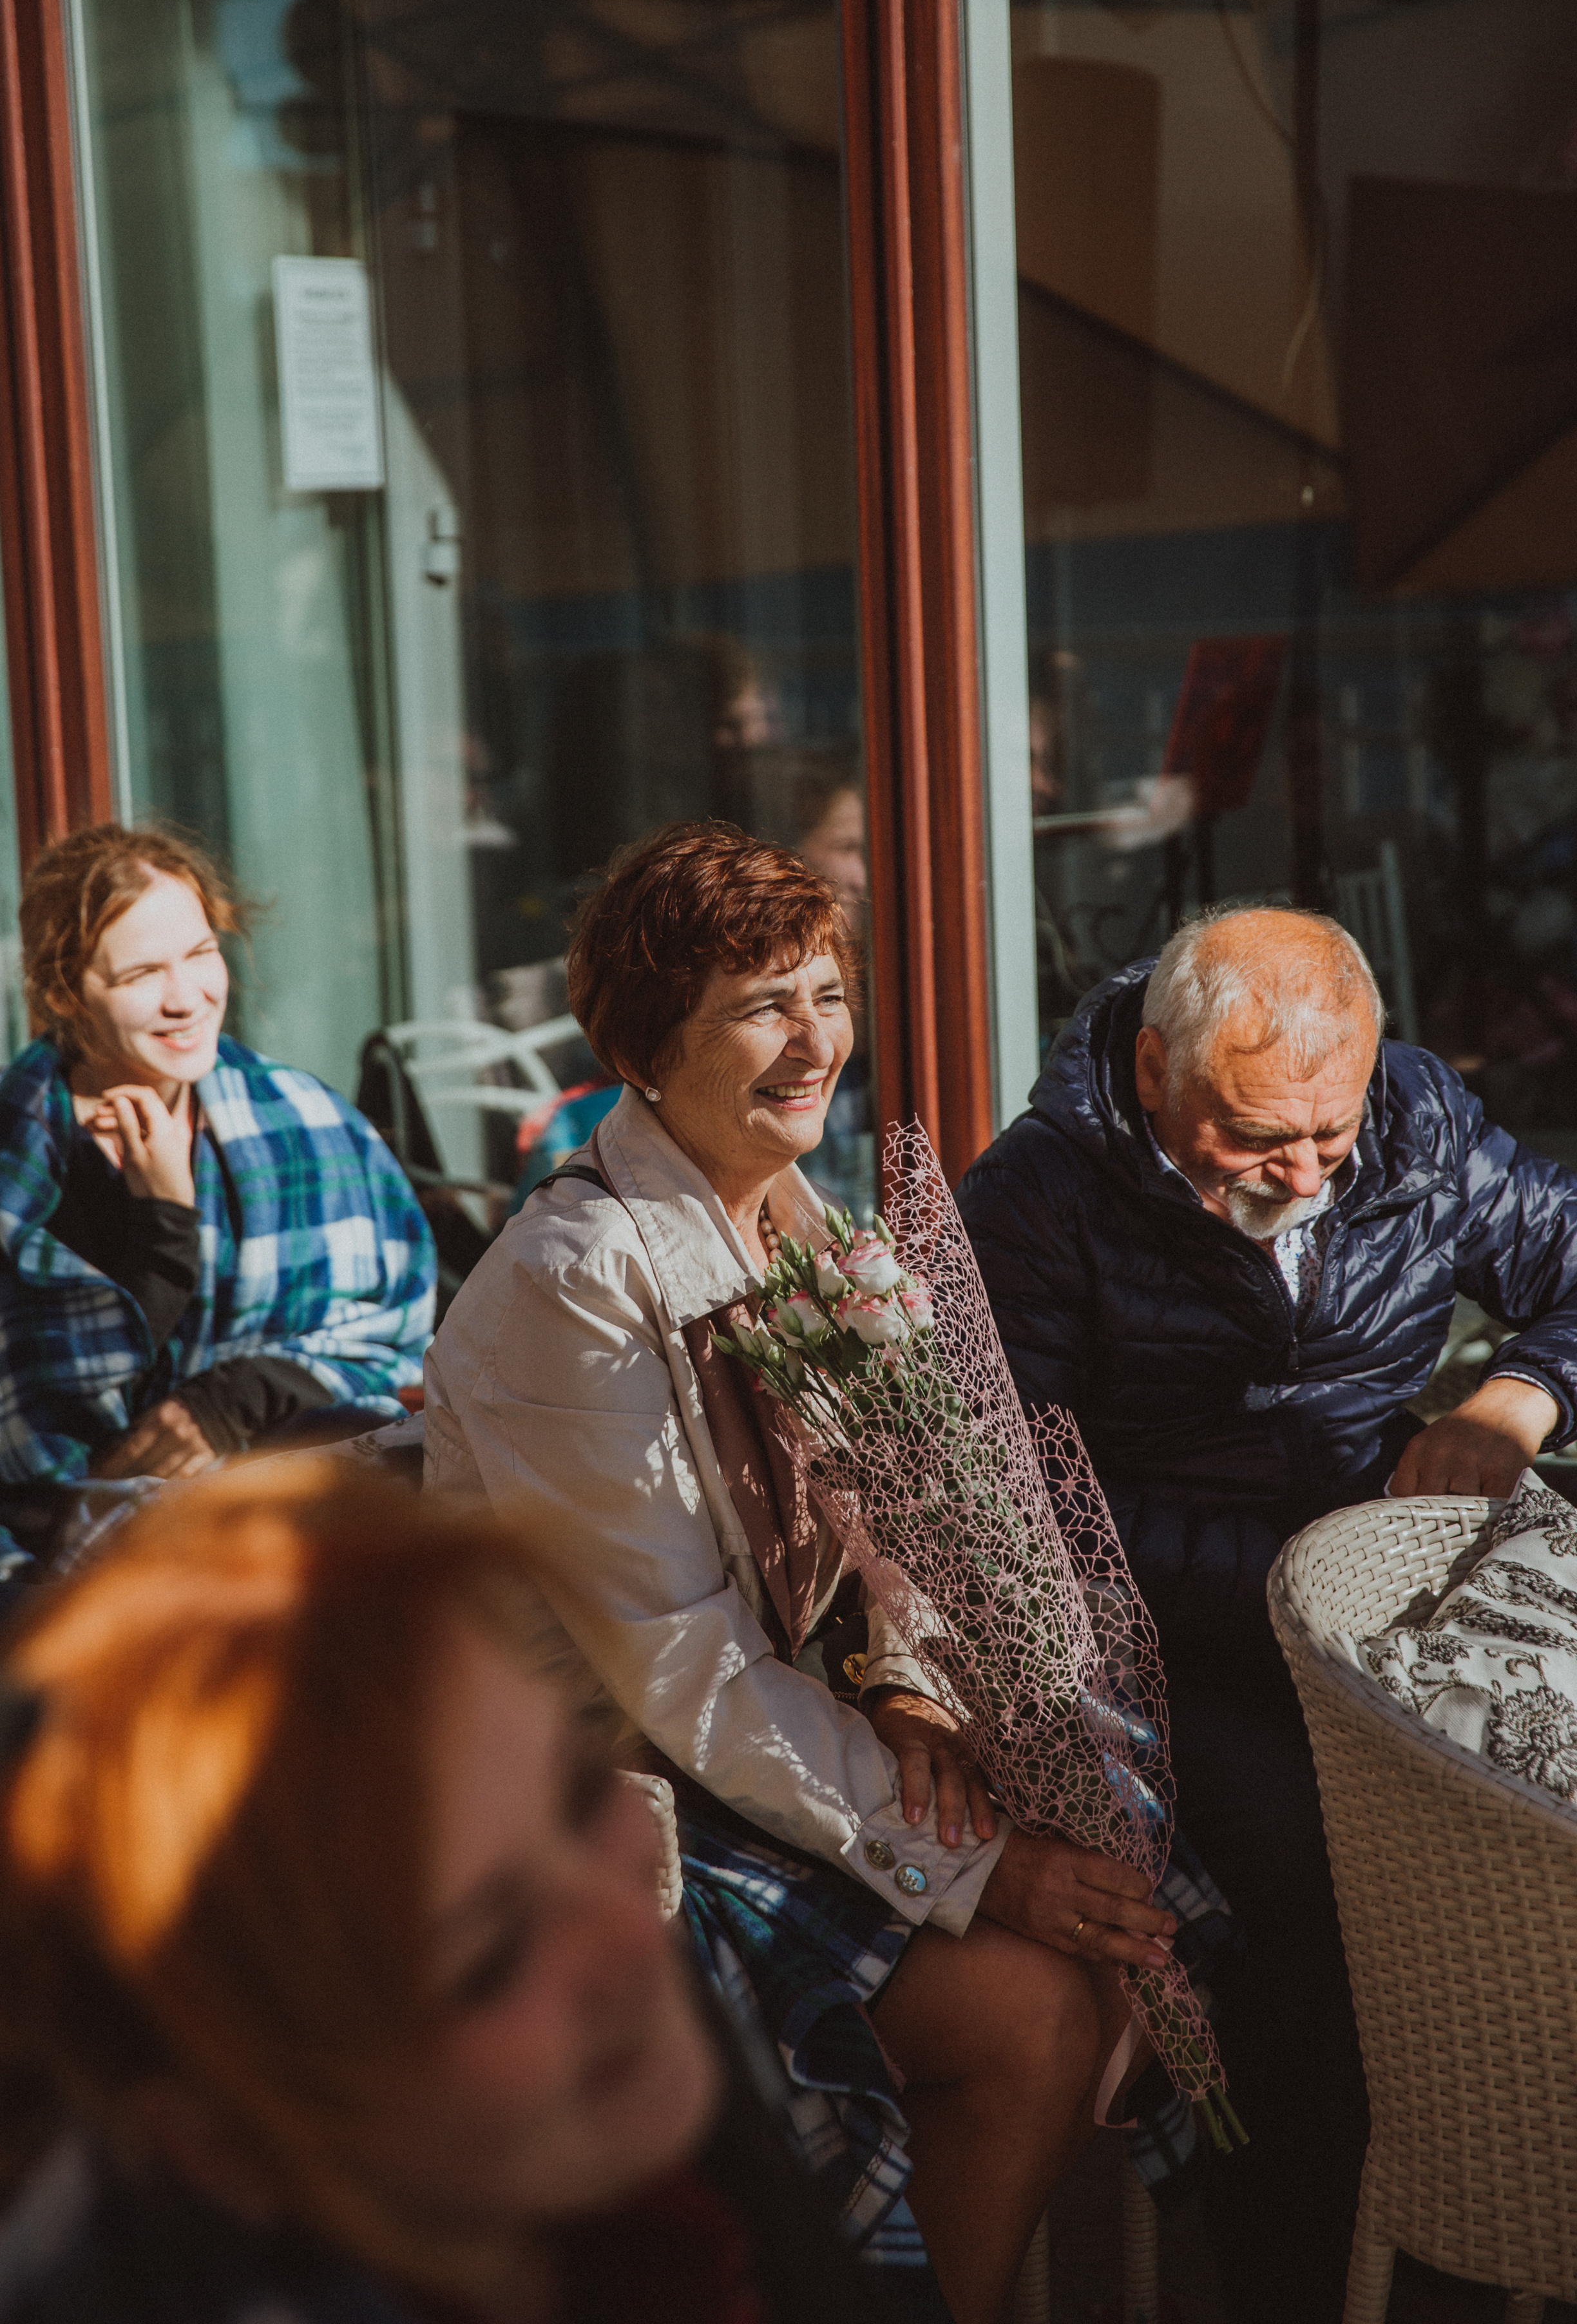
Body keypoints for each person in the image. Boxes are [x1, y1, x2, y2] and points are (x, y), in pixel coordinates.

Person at [423, 819, 1180, 2324]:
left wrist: (909, 1684)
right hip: (600, 1799)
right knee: (1029, 2006)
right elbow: (676, 1661)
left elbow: (879, 1526)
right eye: (760, 1005)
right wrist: (973, 1862)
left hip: (760, 1747)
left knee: (1137, 1926)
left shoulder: (800, 1221)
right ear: (644, 1047)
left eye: (824, 991)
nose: (812, 1038)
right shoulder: (575, 1277)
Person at [957, 902, 1577, 2324]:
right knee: (1313, 1899)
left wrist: (1510, 1396)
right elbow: (1019, 1501)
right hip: (1179, 1639)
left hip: (1395, 1599)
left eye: (1327, 1132)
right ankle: (1320, 2269)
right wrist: (1282, 1577)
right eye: (1253, 1136)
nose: (1299, 1171)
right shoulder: (1041, 1193)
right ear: (1155, 1066)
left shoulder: (1414, 1125)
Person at [0, 1458, 877, 2324]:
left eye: (581, 1796)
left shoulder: (637, 2087)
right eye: (490, 1959)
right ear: (233, 2148)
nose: (631, 1931)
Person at [0, 824, 435, 1546]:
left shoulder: (297, 1115)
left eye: (200, 954)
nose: (186, 998)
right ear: (66, 990)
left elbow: (396, 1324)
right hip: (87, 1529)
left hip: (293, 1485)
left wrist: (234, 1398)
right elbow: (63, 1433)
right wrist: (165, 1218)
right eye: (140, 976)